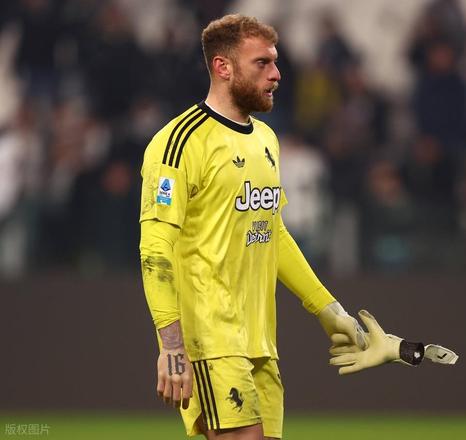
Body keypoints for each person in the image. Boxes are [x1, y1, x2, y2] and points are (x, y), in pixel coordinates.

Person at [138, 15, 367, 440]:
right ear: (223, 67)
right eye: (262, 63)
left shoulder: (266, 139)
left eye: (275, 62)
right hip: (210, 338)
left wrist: (328, 310)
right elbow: (154, 250)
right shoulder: (178, 143)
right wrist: (171, 346)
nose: (276, 74)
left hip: (260, 340)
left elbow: (273, 232)